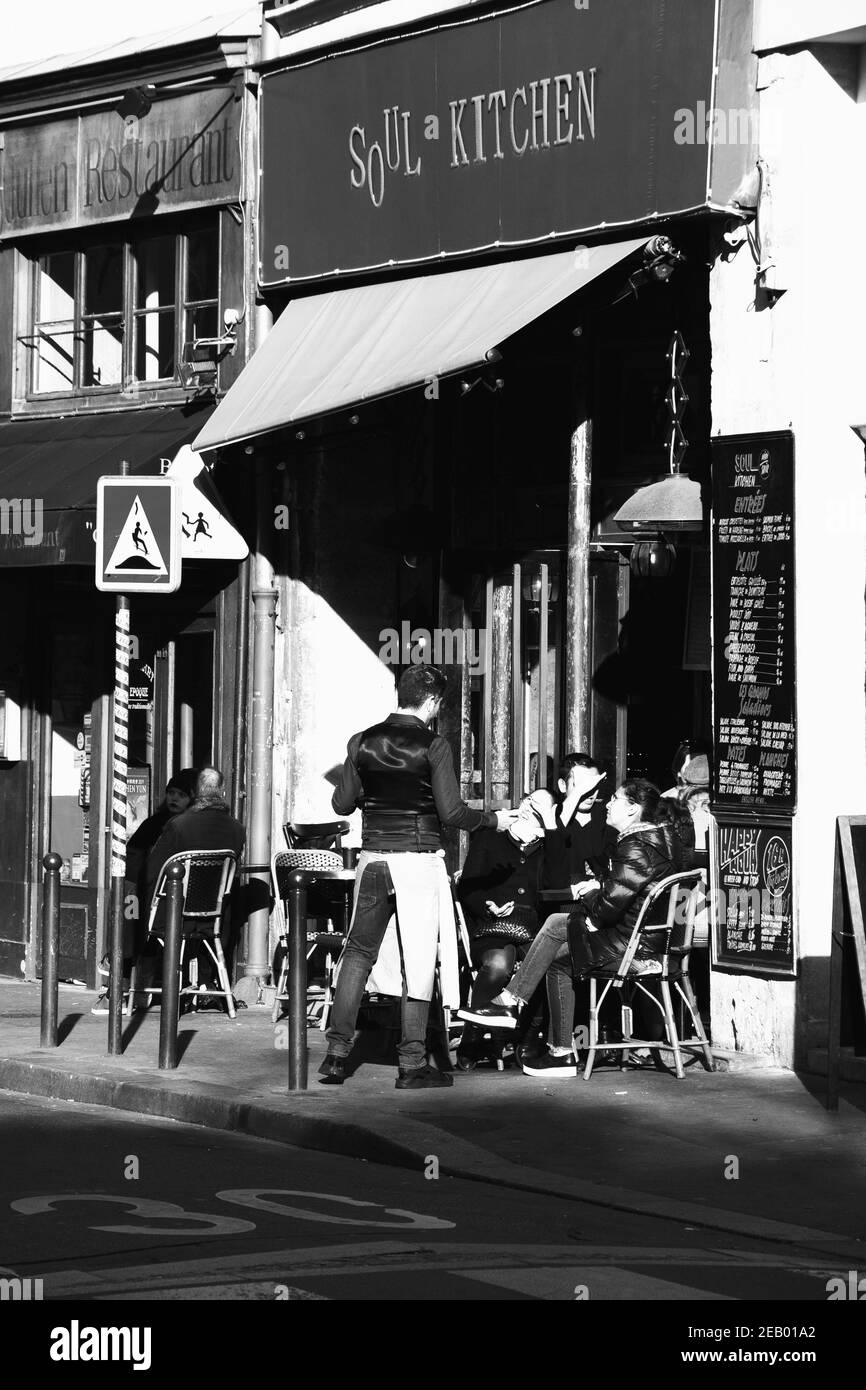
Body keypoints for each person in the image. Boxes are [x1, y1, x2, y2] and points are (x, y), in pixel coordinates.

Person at [320, 664, 518, 1089]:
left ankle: (336, 1056)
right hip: (418, 861)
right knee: (419, 960)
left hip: (373, 859)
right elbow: (452, 814)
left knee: (358, 953)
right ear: (432, 702)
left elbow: (341, 805)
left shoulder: (361, 741)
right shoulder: (435, 745)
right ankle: (411, 1064)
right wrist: (496, 821)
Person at [496, 752, 617, 1078]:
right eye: (582, 786)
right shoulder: (558, 822)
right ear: (565, 786)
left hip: (598, 919)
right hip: (560, 911)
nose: (591, 794)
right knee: (550, 936)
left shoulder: (610, 820)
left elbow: (611, 874)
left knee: (555, 944)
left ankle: (547, 1032)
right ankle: (546, 1038)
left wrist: (593, 883)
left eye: (596, 787)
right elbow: (552, 880)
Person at [567, 778, 696, 1065]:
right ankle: (523, 1010)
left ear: (633, 809)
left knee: (562, 954)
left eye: (614, 798)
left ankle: (563, 1047)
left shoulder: (636, 846)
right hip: (662, 944)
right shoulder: (667, 842)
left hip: (637, 950)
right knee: (559, 927)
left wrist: (588, 895)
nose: (608, 804)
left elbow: (605, 910)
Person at [90, 768, 198, 1016]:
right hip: (161, 899)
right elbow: (134, 856)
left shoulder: (176, 826)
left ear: (191, 798)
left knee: (129, 909)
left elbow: (140, 863)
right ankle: (129, 978)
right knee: (128, 903)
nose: (173, 798)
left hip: (161, 901)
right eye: (171, 793)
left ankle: (119, 977)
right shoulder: (157, 823)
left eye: (180, 794)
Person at [143, 767, 245, 1006]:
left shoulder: (179, 825)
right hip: (215, 919)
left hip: (174, 915)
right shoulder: (237, 829)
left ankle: (139, 984)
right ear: (221, 791)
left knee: (138, 901)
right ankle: (207, 982)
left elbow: (152, 871)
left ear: (197, 792)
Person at [455, 795, 548, 1038]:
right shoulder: (491, 836)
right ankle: (473, 1034)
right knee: (498, 964)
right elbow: (467, 886)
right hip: (492, 925)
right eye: (529, 802)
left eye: (540, 806)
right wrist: (488, 907)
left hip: (533, 928)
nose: (530, 809)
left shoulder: (549, 845)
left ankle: (528, 1039)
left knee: (548, 965)